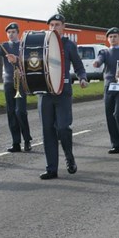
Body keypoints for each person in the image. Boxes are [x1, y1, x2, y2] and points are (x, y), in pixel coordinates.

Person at [38, 14, 88, 180]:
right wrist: (16, 60)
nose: (53, 27)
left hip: (63, 92)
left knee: (62, 128)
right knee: (47, 131)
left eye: (57, 24)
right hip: (45, 93)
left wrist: (82, 78)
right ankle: (51, 168)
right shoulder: (41, 45)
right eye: (51, 24)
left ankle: (69, 156)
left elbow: (79, 67)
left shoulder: (69, 45)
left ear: (63, 27)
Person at [93, 27, 119, 154]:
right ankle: (115, 144)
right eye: (110, 37)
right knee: (109, 116)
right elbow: (100, 60)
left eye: (115, 36)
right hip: (108, 86)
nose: (113, 39)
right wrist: (96, 62)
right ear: (107, 39)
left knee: (118, 115)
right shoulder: (104, 52)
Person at [0, 22, 33, 153]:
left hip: (20, 81)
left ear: (18, 33)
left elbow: (31, 60)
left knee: (20, 111)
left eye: (13, 32)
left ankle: (27, 140)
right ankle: (16, 142)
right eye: (9, 32)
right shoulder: (3, 45)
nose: (11, 35)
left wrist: (17, 59)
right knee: (11, 112)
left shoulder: (23, 45)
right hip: (8, 82)